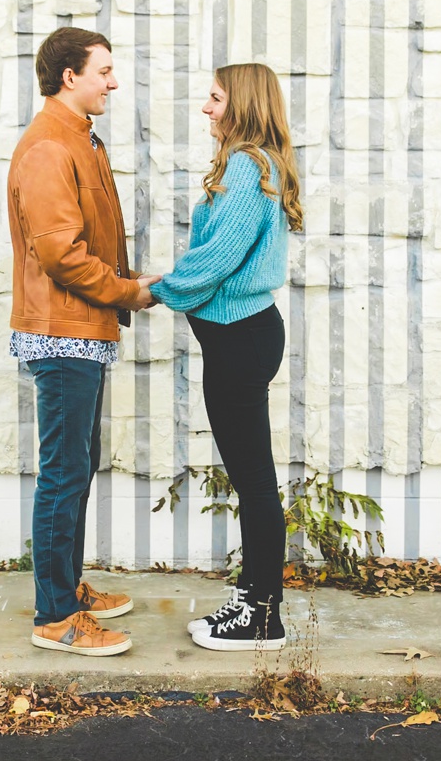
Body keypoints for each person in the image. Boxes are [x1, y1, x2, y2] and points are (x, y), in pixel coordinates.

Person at [7, 26, 159, 657]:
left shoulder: (76, 139)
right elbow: (62, 256)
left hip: (79, 331)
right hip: (63, 332)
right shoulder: (49, 148)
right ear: (69, 76)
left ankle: (64, 589)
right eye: (104, 70)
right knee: (63, 475)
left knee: (74, 468)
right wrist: (130, 292)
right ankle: (54, 618)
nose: (113, 82)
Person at [149, 63, 303, 651]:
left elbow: (218, 256)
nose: (206, 109)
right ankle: (253, 597)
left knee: (255, 483)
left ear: (241, 104)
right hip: (245, 337)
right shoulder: (257, 163)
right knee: (252, 479)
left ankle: (264, 616)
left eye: (215, 99)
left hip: (240, 340)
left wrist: (154, 289)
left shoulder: (247, 164)